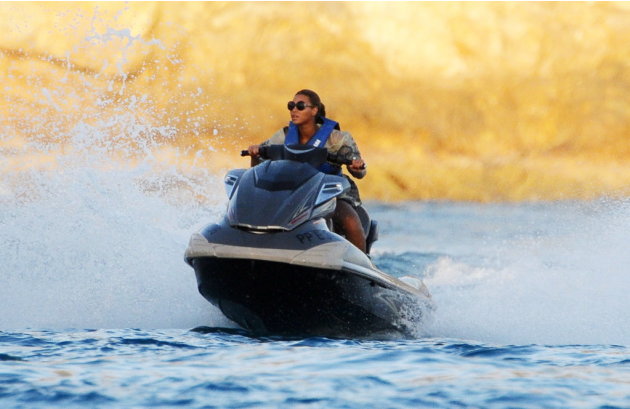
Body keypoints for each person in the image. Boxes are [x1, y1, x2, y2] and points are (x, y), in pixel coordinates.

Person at [247, 89, 368, 252]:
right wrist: (255, 154)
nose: (294, 110)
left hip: (329, 193)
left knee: (350, 221)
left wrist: (356, 166)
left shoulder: (337, 138)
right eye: (291, 106)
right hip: (292, 192)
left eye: (300, 106)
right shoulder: (283, 135)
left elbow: (359, 171)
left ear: (314, 110)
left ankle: (363, 263)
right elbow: (259, 168)